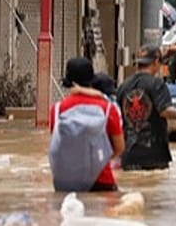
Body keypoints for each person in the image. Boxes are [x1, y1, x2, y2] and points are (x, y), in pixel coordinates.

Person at [48, 57, 125, 192]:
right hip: (102, 180)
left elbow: (58, 144)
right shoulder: (107, 109)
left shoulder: (57, 109)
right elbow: (119, 148)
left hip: (67, 182)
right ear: (91, 79)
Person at [116, 43, 176, 171]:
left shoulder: (123, 86)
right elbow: (166, 111)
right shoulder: (157, 84)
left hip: (129, 155)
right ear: (156, 62)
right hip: (154, 155)